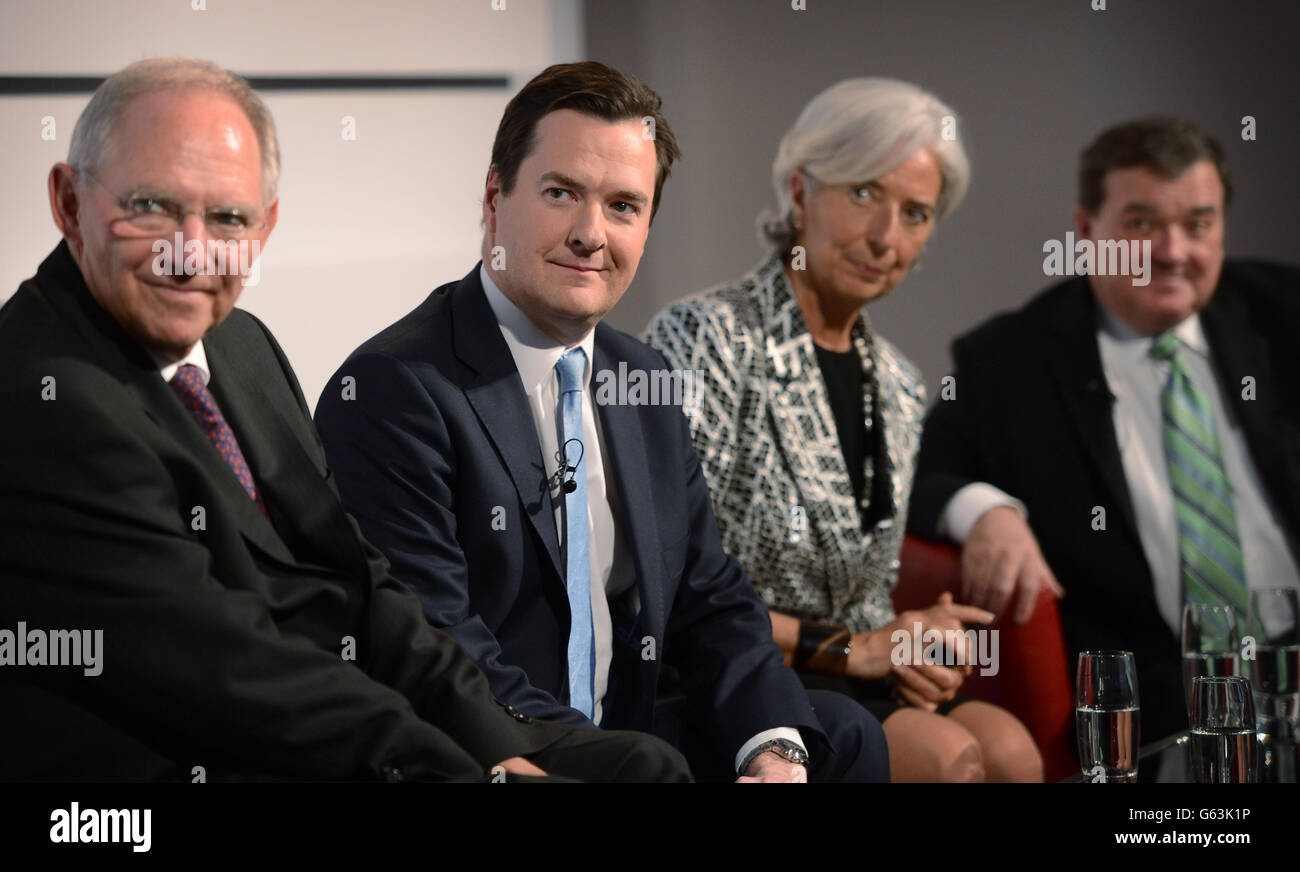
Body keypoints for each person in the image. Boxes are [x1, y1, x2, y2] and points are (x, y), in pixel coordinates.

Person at [0, 58, 691, 783]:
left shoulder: (241, 344)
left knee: (642, 767)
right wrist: (455, 772)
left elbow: (363, 582)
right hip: (172, 770)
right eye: (152, 207)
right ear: (69, 202)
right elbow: (224, 668)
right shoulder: (44, 396)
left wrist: (493, 742)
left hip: (326, 725)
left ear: (265, 227)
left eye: (228, 217)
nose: (191, 251)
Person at [314, 61, 889, 783]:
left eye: (623, 206)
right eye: (561, 194)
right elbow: (433, 642)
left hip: (633, 734)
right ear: (496, 198)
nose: (591, 234)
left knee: (842, 735)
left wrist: (772, 747)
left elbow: (710, 595)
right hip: (488, 749)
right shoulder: (397, 387)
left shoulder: (643, 378)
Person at [645, 78, 1041, 781]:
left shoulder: (896, 379)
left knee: (1011, 748)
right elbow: (665, 582)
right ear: (800, 192)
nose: (885, 237)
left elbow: (871, 594)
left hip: (857, 672)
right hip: (738, 674)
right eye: (863, 194)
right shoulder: (706, 336)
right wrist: (855, 648)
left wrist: (916, 649)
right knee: (955, 759)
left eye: (915, 214)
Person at [907, 117, 1300, 744]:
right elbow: (918, 474)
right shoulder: (1015, 361)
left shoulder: (1283, 313)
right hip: (1161, 710)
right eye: (1142, 225)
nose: (1173, 252)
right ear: (1088, 230)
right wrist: (987, 513)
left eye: (1199, 224)